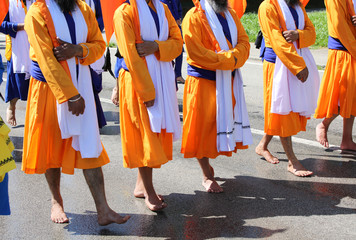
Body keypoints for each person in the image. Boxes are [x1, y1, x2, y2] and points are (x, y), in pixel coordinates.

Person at [23, 0, 130, 225]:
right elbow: (46, 59)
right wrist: (70, 94)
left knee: (90, 144)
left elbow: (99, 44)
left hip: (82, 85)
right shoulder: (36, 12)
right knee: (52, 146)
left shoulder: (83, 8)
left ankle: (103, 209)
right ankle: (56, 202)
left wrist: (79, 50)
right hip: (49, 89)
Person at [113, 0, 183, 211]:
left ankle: (141, 186)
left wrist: (157, 47)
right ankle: (149, 191)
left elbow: (178, 42)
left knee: (153, 132)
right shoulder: (124, 12)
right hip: (138, 81)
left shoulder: (163, 8)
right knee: (146, 134)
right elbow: (131, 55)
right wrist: (147, 91)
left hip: (161, 75)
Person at [181, 0, 252, 193]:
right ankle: (206, 174)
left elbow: (245, 42)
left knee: (219, 126)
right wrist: (228, 60)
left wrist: (233, 57)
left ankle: (208, 168)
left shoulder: (231, 14)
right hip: (203, 82)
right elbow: (196, 53)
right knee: (202, 129)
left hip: (228, 80)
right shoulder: (193, 17)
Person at [256, 0, 319, 177]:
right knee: (284, 111)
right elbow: (278, 41)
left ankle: (262, 145)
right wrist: (298, 65)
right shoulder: (267, 6)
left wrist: (298, 34)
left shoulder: (298, 6)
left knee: (282, 110)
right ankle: (292, 161)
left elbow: (312, 33)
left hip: (296, 61)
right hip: (278, 64)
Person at [315, 0, 356, 152]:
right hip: (344, 50)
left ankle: (347, 139)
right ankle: (324, 124)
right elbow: (339, 26)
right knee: (344, 94)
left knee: (352, 96)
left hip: (351, 46)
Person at [0, 0, 34, 127]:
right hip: (17, 50)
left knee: (37, 86)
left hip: (37, 47)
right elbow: (1, 24)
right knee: (16, 83)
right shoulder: (6, 2)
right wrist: (20, 26)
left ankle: (35, 116)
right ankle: (12, 107)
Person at [160, 0, 184, 85]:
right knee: (167, 52)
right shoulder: (158, 2)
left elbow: (179, 9)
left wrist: (179, 18)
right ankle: (168, 75)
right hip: (165, 28)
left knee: (180, 50)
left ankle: (178, 74)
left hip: (176, 27)